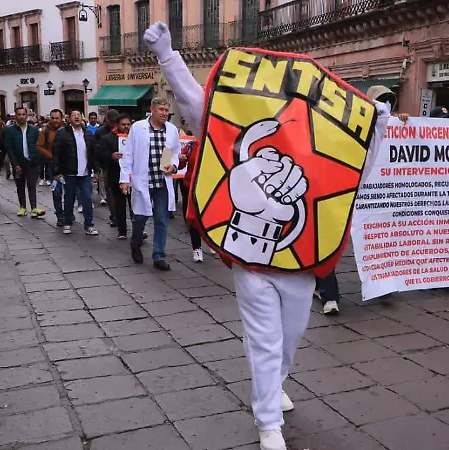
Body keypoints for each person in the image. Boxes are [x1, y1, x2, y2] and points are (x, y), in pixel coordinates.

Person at [143, 22, 388, 450]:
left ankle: (275, 387)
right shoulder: (249, 142)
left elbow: (356, 176)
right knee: (264, 340)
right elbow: (204, 110)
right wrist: (168, 56)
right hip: (250, 256)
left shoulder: (319, 142)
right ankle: (267, 421)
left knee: (290, 336)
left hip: (302, 259)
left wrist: (379, 130)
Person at [119, 96, 180, 270]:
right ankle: (135, 243)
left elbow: (175, 151)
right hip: (143, 182)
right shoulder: (138, 128)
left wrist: (173, 166)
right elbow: (128, 154)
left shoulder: (172, 130)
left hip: (161, 182)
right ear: (152, 110)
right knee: (140, 218)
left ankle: (159, 255)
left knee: (162, 220)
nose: (164, 113)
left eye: (167, 110)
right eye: (161, 110)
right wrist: (125, 179)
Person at [52, 110, 99, 236]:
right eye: (74, 115)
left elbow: (93, 154)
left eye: (79, 115)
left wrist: (96, 170)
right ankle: (67, 222)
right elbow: (56, 153)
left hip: (85, 173)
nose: (77, 117)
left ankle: (89, 225)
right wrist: (56, 172)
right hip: (69, 172)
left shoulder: (88, 134)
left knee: (87, 199)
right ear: (69, 118)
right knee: (69, 198)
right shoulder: (62, 133)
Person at [5, 107, 45, 218]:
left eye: (23, 114)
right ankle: (22, 207)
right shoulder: (10, 130)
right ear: (15, 116)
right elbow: (9, 148)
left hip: (31, 161)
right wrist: (15, 164)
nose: (21, 117)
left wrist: (37, 159)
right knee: (20, 185)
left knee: (32, 185)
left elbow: (38, 145)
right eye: (19, 114)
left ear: (26, 116)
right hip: (18, 162)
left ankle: (34, 207)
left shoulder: (33, 129)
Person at [97, 113, 132, 239]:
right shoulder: (108, 138)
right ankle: (122, 230)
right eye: (123, 124)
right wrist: (111, 156)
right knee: (120, 204)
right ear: (117, 125)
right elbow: (100, 153)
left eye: (128, 124)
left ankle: (139, 228)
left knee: (135, 204)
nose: (126, 127)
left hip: (133, 176)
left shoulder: (134, 137)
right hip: (116, 175)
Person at [176, 137, 204, 261]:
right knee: (193, 218)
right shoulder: (191, 145)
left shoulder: (214, 143)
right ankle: (197, 248)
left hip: (208, 187)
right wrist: (181, 159)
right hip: (191, 186)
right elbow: (180, 165)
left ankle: (211, 243)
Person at [37, 109, 65, 226]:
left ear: (61, 118)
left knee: (71, 192)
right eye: (52, 118)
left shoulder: (67, 129)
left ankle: (68, 214)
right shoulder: (45, 131)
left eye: (57, 118)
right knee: (57, 192)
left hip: (68, 165)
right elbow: (39, 146)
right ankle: (60, 216)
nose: (54, 120)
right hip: (53, 166)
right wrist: (50, 155)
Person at [94, 109, 121, 226]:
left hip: (122, 166)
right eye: (113, 122)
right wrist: (97, 167)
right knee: (110, 190)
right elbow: (96, 150)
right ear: (107, 120)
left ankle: (121, 215)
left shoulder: (124, 130)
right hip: (107, 165)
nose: (115, 125)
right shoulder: (101, 132)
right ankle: (114, 216)